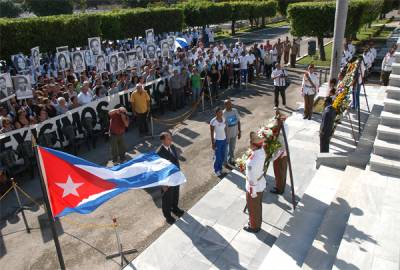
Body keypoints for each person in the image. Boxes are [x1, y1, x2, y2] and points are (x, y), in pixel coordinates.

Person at [156, 132, 185, 224]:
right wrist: (163, 184)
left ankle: (175, 208)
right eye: (168, 139)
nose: (171, 140)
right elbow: (159, 170)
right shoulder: (159, 153)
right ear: (163, 140)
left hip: (175, 177)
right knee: (167, 199)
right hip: (167, 180)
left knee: (175, 194)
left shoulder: (172, 147)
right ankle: (168, 216)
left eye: (170, 138)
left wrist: (179, 173)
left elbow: (176, 161)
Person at [244, 131, 266, 233]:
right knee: (258, 206)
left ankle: (254, 226)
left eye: (250, 144)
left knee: (252, 208)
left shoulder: (251, 162)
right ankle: (257, 223)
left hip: (254, 187)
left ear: (254, 146)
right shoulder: (261, 151)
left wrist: (252, 192)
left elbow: (252, 179)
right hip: (260, 184)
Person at [271, 108, 288, 195]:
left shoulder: (280, 128)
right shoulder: (285, 125)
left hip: (280, 152)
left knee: (278, 171)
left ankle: (279, 189)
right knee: (283, 170)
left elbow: (275, 136)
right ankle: (282, 186)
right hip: (284, 151)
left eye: (277, 119)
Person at [223, 99, 241, 166]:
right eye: (228, 104)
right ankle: (225, 162)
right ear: (225, 105)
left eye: (230, 103)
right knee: (226, 149)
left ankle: (231, 159)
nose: (230, 105)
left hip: (234, 133)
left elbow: (238, 121)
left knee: (232, 147)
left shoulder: (235, 110)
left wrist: (239, 132)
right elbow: (223, 126)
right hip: (226, 135)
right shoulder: (223, 113)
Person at [210, 107, 226, 177]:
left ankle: (220, 168)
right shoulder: (213, 121)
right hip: (218, 141)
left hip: (224, 139)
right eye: (220, 112)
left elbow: (224, 129)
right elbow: (211, 133)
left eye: (222, 112)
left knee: (222, 155)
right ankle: (216, 170)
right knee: (217, 156)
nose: (221, 113)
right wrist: (213, 143)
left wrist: (226, 137)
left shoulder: (223, 118)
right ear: (216, 113)